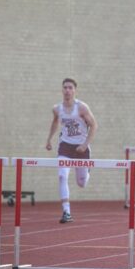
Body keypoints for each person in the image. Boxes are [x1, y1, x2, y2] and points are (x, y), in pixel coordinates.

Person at [46, 78, 98, 223]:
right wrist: (49, 139)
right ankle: (66, 212)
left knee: (81, 183)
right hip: (65, 147)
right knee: (62, 176)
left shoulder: (82, 107)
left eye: (70, 88)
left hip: (81, 148)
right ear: (62, 90)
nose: (67, 90)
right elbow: (55, 122)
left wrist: (85, 144)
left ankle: (87, 172)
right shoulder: (57, 108)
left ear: (75, 90)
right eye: (65, 87)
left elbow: (94, 126)